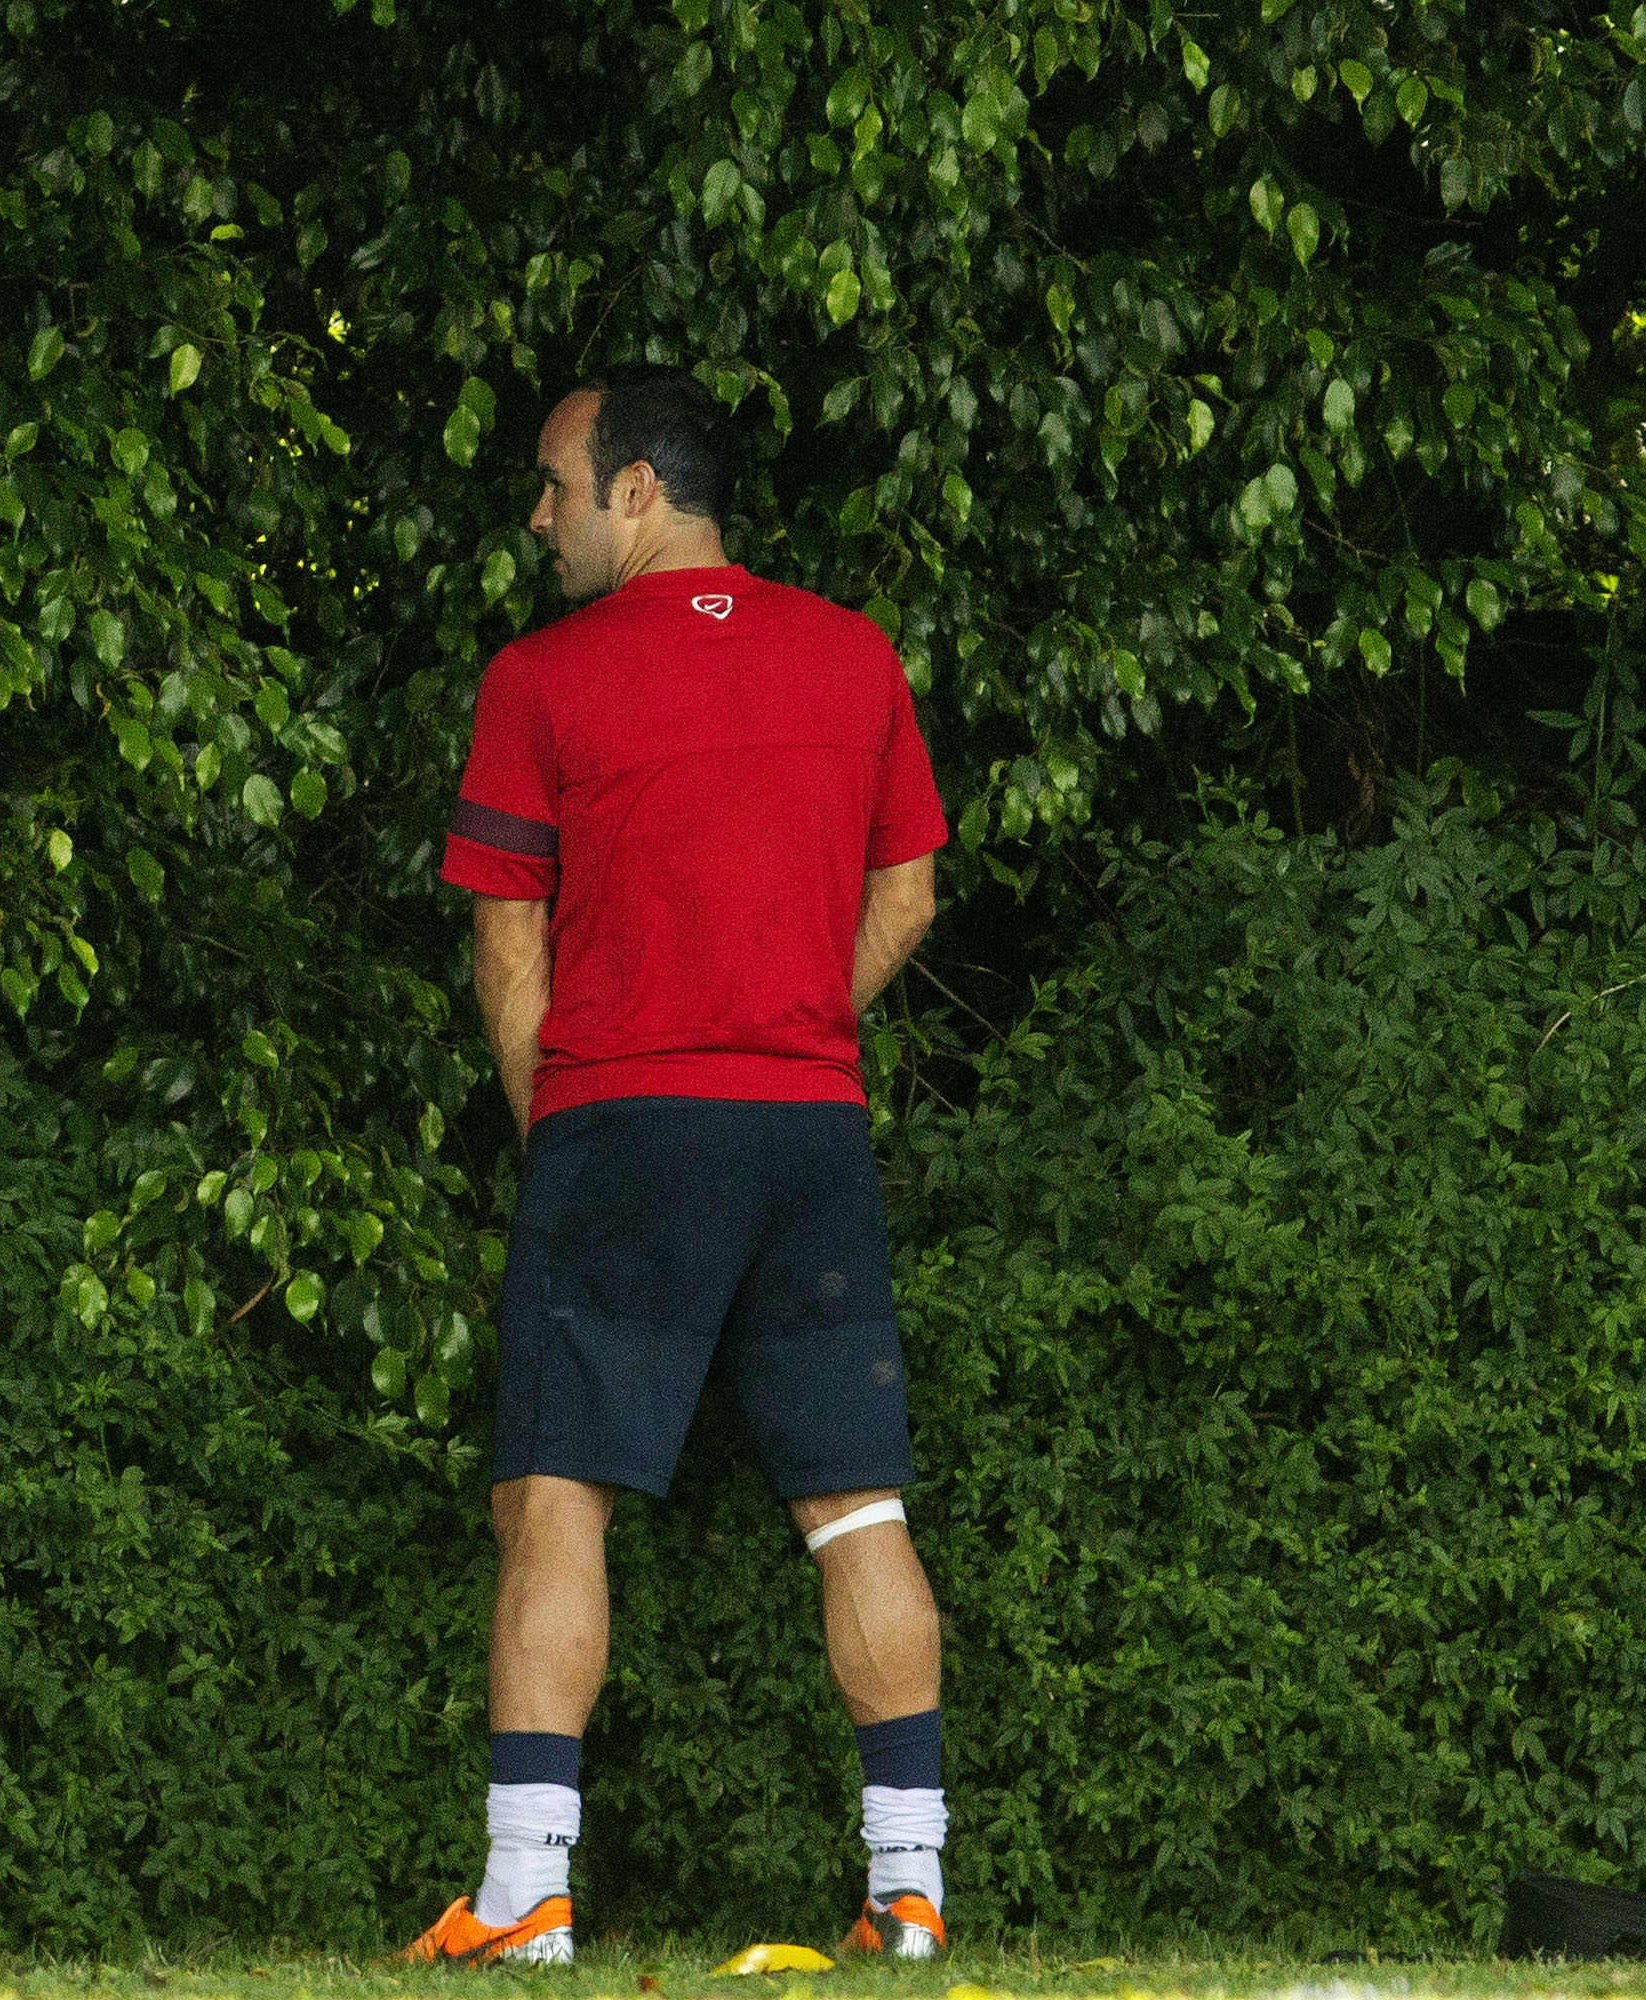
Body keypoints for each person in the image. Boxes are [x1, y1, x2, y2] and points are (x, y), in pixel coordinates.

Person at [405, 363, 951, 1968]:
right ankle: (910, 1898)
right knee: (859, 1512)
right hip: (807, 1127)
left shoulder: (542, 679)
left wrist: (563, 1116)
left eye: (558, 486)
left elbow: (508, 938)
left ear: (640, 488)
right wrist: (777, 1022)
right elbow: (908, 900)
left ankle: (524, 1899)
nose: (541, 516)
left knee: (553, 1500)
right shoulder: (853, 657)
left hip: (622, 1119)